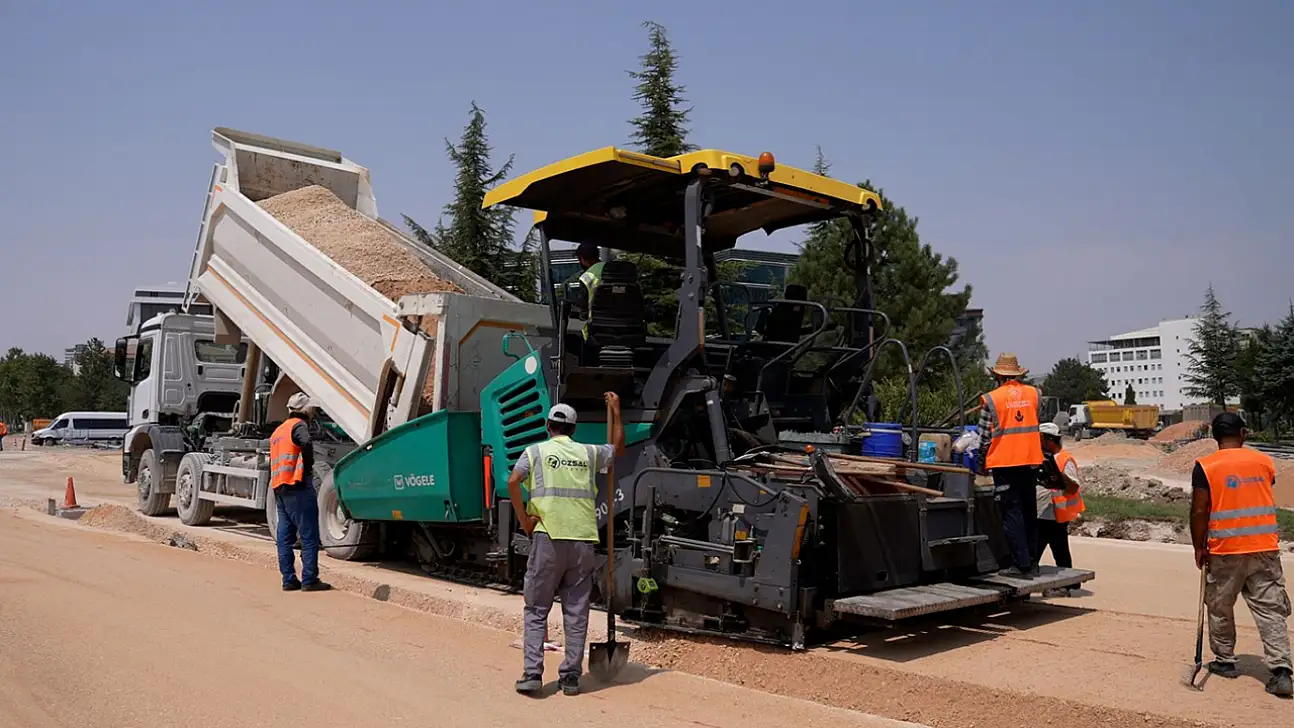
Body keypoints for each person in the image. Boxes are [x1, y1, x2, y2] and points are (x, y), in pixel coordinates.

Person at [508, 394, 625, 697]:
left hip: (547, 538)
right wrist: (616, 410)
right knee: (576, 610)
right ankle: (571, 677)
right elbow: (617, 448)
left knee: (536, 608)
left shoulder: (535, 452)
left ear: (548, 426)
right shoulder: (588, 452)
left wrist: (525, 520)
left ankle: (533, 674)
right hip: (582, 541)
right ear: (573, 429)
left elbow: (513, 481)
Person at [1190, 412, 1292, 697]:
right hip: (1264, 548)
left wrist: (1198, 546)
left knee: (1220, 605)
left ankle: (1225, 660)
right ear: (1243, 434)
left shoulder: (1205, 466)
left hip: (1225, 550)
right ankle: (1281, 670)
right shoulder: (1264, 462)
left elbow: (1200, 510)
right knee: (1270, 609)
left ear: (1215, 437)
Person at [977, 353, 1044, 578]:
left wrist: (980, 463)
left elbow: (984, 438)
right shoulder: (1035, 394)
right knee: (1029, 512)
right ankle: (1032, 562)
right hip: (1030, 462)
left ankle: (1020, 565)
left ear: (997, 375)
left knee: (1012, 514)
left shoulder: (991, 399)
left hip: (1005, 464)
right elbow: (1035, 421)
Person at [269, 393, 331, 593]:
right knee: (309, 535)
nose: (313, 411)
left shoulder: (278, 431)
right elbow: (306, 442)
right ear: (304, 409)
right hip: (297, 487)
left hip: (280, 488)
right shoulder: (299, 426)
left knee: (284, 537)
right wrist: (308, 468)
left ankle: (288, 579)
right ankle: (309, 579)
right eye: (311, 408)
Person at [1035, 422, 1083, 595]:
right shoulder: (1043, 458)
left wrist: (1057, 475)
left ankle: (1066, 583)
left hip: (1055, 513)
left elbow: (1073, 487)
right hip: (1045, 512)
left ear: (1049, 440)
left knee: (1035, 550)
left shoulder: (1064, 459)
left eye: (1040, 439)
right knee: (1059, 549)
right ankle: (1070, 582)